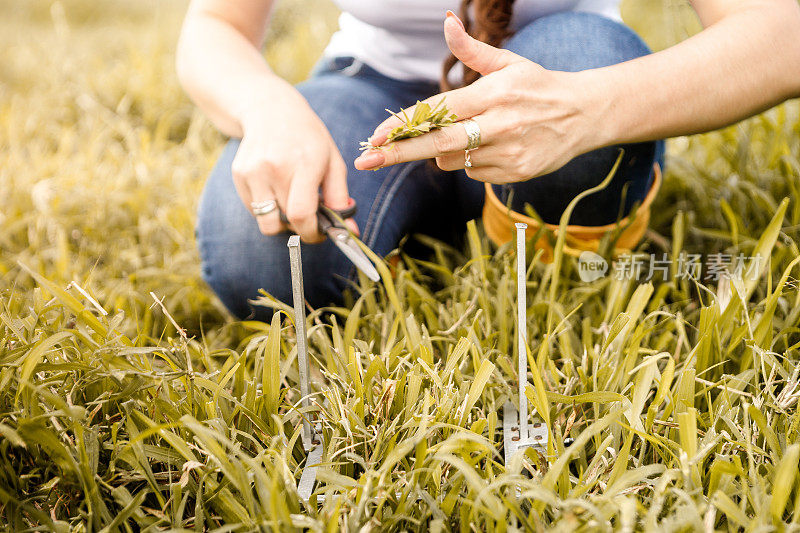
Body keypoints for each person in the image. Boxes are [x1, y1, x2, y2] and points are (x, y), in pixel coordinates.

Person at [177, 0, 800, 320]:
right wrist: (266, 106)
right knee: (255, 254)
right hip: (376, 82)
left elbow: (782, 34)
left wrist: (588, 108)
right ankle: (432, 225)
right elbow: (214, 23)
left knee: (581, 70)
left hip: (565, 76)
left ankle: (543, 239)